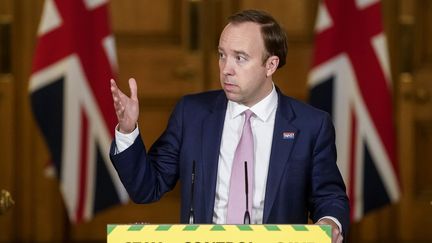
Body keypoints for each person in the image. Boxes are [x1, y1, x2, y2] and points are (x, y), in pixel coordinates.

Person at [109, 9, 349, 243]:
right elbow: (147, 188)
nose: (226, 69)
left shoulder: (311, 125)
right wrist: (128, 130)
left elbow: (328, 196)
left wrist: (329, 223)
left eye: (240, 58)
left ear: (271, 65)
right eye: (222, 55)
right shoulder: (191, 114)